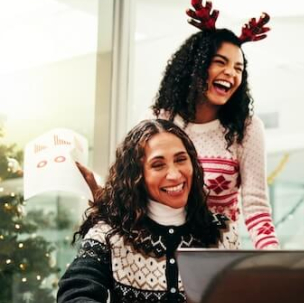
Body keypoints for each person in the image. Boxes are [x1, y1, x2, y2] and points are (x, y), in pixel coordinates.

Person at [79, 0, 279, 249]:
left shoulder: (247, 129)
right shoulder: (156, 120)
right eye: (220, 62)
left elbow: (256, 207)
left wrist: (275, 263)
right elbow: (133, 191)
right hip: (156, 251)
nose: (231, 73)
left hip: (216, 254)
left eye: (239, 68)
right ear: (196, 66)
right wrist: (103, 200)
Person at [58, 119, 240, 303]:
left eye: (181, 160)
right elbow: (72, 302)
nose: (174, 175)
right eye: (158, 165)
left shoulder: (223, 232)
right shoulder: (108, 233)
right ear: (137, 175)